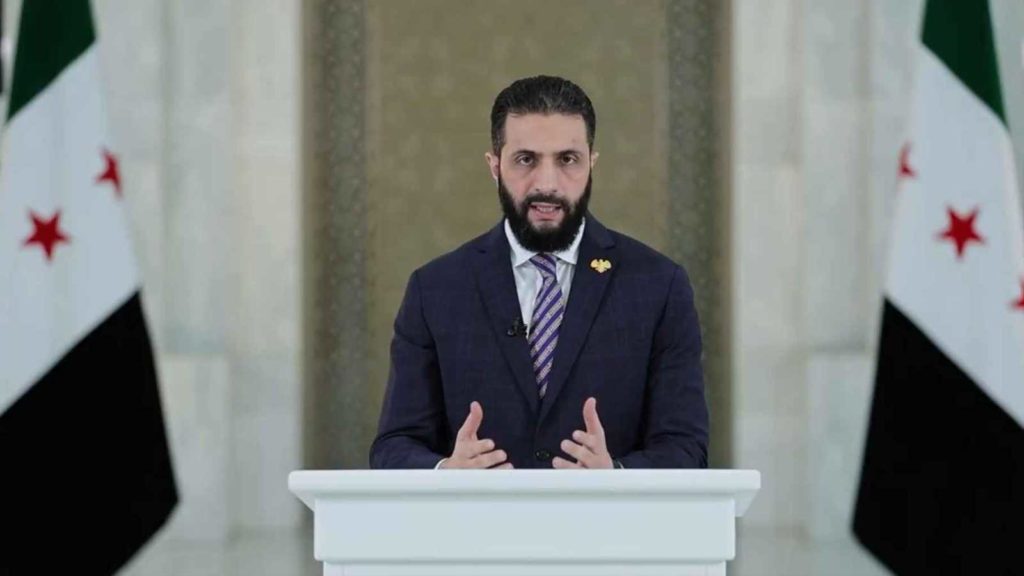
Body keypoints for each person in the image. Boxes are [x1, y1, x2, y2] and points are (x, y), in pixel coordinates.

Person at [370, 75, 708, 470]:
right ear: (494, 166)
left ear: (591, 164)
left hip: (604, 513)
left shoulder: (659, 286)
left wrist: (616, 476)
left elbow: (686, 448)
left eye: (567, 160)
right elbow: (393, 446)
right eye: (526, 160)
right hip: (480, 513)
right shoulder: (435, 289)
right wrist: (447, 472)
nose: (547, 183)